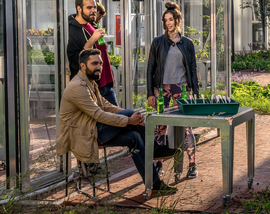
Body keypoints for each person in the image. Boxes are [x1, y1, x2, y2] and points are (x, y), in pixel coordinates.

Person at [56, 49, 179, 193]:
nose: (99, 67)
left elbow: (106, 106)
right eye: (94, 63)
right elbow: (99, 114)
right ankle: (156, 149)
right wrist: (129, 119)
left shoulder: (89, 82)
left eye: (100, 64)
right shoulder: (77, 87)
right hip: (82, 135)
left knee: (135, 137)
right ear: (83, 66)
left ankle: (155, 184)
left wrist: (132, 117)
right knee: (130, 116)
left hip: (92, 129)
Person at [147, 1, 200, 179]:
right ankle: (158, 165)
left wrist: (196, 93)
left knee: (186, 127)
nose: (168, 23)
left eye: (171, 19)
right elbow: (150, 69)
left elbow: (192, 69)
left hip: (181, 88)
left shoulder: (187, 44)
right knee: (160, 127)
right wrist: (150, 93)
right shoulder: (157, 43)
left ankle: (192, 164)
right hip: (162, 90)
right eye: (165, 20)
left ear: (178, 20)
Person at [67, 0, 118, 106]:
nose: (93, 10)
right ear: (79, 9)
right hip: (91, 88)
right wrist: (92, 39)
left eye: (94, 7)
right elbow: (75, 61)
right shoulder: (71, 30)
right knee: (111, 121)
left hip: (105, 85)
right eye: (89, 8)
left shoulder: (92, 25)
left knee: (120, 119)